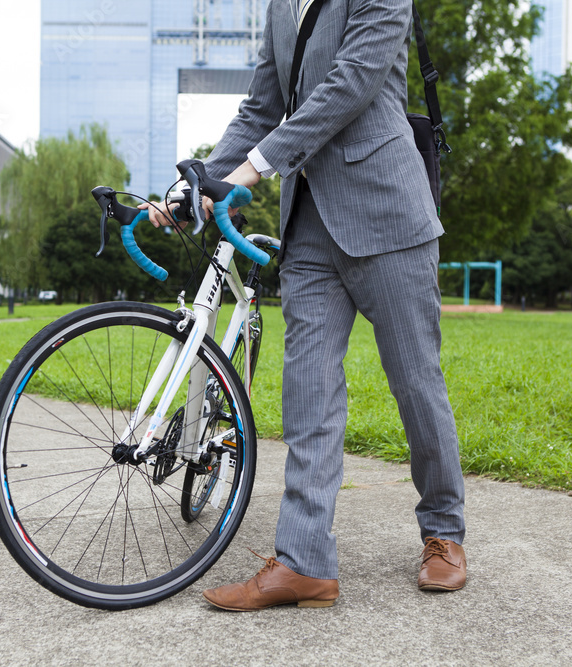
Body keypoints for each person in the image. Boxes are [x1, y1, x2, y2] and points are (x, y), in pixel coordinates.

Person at [149, 0, 466, 611]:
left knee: (416, 384)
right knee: (309, 392)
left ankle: (444, 533)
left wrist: (255, 170)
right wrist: (197, 185)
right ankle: (305, 562)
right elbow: (262, 106)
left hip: (388, 215)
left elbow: (352, 84)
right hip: (310, 225)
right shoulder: (278, 5)